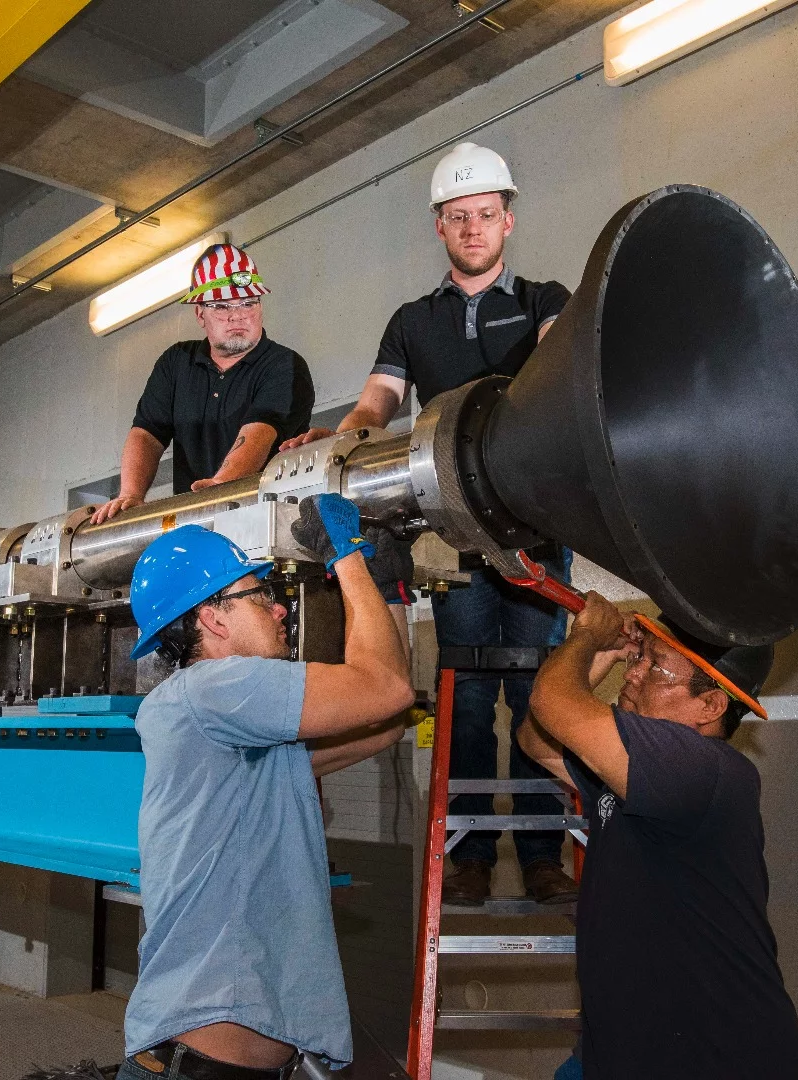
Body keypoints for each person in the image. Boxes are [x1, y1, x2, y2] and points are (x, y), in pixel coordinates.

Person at [281, 142, 576, 906]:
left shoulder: (545, 301)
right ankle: (470, 857)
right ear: (439, 227)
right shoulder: (413, 322)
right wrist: (339, 437)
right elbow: (378, 402)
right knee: (467, 696)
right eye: (458, 217)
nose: (472, 227)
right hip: (451, 535)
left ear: (507, 220)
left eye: (485, 214)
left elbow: (562, 369)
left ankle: (542, 857)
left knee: (540, 691)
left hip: (536, 530)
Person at [119, 494, 414, 1080]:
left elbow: (385, 721)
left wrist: (386, 590)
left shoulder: (235, 729)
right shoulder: (214, 689)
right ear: (213, 617)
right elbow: (386, 688)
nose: (280, 610)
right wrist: (346, 558)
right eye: (261, 596)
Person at [518, 593, 798, 1079]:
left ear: (711, 704)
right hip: (622, 1054)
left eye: (654, 668)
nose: (632, 674)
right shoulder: (639, 772)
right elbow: (537, 740)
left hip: (715, 1062)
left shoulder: (700, 768)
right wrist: (602, 656)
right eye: (640, 658)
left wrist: (586, 639)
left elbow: (553, 703)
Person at [92, 244, 314, 523]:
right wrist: (130, 494)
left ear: (260, 307)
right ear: (200, 315)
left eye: (248, 303)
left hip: (269, 522)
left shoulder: (284, 364)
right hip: (194, 522)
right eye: (221, 306)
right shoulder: (176, 362)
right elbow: (146, 433)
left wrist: (221, 486)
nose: (237, 315)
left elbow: (259, 433)